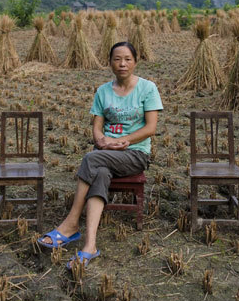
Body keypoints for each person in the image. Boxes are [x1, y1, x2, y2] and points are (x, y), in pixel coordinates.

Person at [38, 41, 163, 269]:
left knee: (90, 159)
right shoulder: (103, 91)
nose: (122, 63)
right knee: (101, 173)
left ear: (135, 62)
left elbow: (150, 128)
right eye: (117, 59)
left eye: (127, 59)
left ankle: (71, 223)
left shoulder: (148, 88)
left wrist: (122, 141)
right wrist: (101, 140)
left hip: (135, 154)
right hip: (105, 154)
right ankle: (90, 246)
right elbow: (97, 127)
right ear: (110, 63)